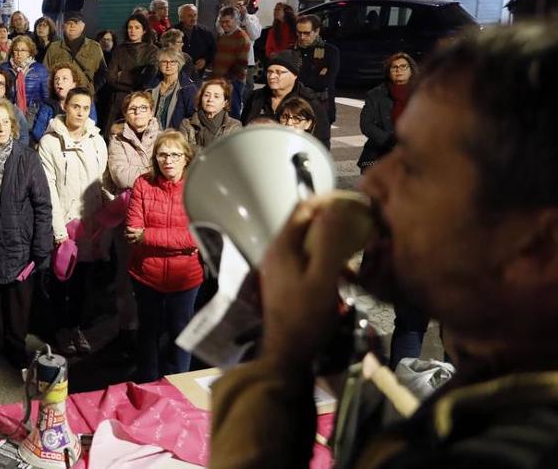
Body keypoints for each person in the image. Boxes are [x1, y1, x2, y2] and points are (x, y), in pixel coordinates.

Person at [211, 23, 558, 466]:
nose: (372, 184)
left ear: (536, 245)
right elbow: (404, 440)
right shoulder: (504, 385)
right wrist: (326, 335)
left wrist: (279, 360)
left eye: (416, 167)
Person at [0, 97, 53, 369]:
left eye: (6, 122)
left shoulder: (27, 158)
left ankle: (16, 346)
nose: (1, 128)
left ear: (13, 126)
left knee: (18, 301)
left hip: (20, 243)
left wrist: (41, 245)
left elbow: (42, 204)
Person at [124, 130, 201, 382]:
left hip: (185, 279)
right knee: (148, 334)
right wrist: (179, 242)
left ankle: (179, 385)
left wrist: (148, 237)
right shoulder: (143, 183)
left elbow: (196, 237)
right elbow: (133, 230)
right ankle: (148, 385)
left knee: (182, 335)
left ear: (186, 158)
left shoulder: (198, 188)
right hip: (147, 275)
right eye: (162, 154)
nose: (168, 160)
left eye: (175, 155)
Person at [38, 86, 108, 356]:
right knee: (60, 282)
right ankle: (60, 330)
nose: (80, 112)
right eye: (75, 106)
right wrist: (58, 230)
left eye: (85, 108)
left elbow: (101, 181)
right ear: (65, 106)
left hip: (89, 224)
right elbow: (50, 188)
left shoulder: (97, 140)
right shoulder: (50, 142)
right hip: (63, 224)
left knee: (82, 283)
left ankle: (75, 327)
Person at [241, 50, 331, 146]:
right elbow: (243, 129)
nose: (272, 76)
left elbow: (322, 142)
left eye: (279, 72)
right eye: (269, 71)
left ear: (295, 75)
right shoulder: (256, 98)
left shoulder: (310, 102)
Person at [106, 13, 158, 121]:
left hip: (143, 99)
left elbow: (147, 79)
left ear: (144, 30)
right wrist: (133, 78)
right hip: (120, 100)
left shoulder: (152, 51)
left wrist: (122, 75)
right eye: (130, 27)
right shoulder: (119, 50)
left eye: (137, 27)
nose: (132, 30)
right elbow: (110, 78)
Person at [107, 91, 161, 194]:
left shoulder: (163, 138)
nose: (137, 112)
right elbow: (121, 177)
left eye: (143, 108)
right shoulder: (117, 140)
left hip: (158, 199)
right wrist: (156, 173)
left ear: (151, 113)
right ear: (125, 114)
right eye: (132, 109)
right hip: (129, 200)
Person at [30, 63, 98, 142]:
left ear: (74, 83)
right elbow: (37, 134)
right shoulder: (47, 106)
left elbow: (91, 128)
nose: (59, 82)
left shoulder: (87, 103)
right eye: (56, 79)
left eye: (64, 78)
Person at [295, 13, 340, 124]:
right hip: (295, 108)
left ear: (317, 31)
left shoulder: (330, 52)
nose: (302, 37)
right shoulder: (291, 51)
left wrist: (298, 78)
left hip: (321, 108)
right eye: (299, 33)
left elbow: (325, 82)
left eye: (306, 33)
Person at [43, 12, 105, 88]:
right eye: (69, 23)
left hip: (85, 96)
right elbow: (45, 73)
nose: (72, 25)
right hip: (60, 96)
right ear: (63, 26)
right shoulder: (53, 47)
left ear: (83, 26)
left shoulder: (94, 47)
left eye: (76, 23)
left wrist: (92, 89)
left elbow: (102, 73)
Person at [179, 78, 242, 151]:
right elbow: (183, 150)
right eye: (206, 95)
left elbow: (232, 154)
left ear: (225, 103)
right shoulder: (187, 124)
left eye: (216, 96)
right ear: (200, 98)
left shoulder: (234, 126)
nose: (210, 99)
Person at [212, 6, 252, 116]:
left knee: (233, 112)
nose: (224, 24)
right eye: (222, 21)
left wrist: (226, 80)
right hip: (219, 80)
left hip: (233, 82)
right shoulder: (222, 36)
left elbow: (241, 64)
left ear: (236, 21)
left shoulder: (242, 38)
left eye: (227, 21)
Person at [2, 34, 48, 126]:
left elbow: (46, 98)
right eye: (16, 50)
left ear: (30, 52)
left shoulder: (40, 69)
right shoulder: (3, 68)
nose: (19, 53)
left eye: (23, 50)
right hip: (8, 114)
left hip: (33, 116)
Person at [149, 47, 198, 130]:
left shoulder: (188, 88)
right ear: (159, 64)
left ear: (179, 64)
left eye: (173, 62)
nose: (168, 65)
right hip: (151, 134)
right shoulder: (150, 87)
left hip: (174, 137)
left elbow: (192, 117)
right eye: (164, 62)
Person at [177, 4, 215, 76]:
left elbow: (213, 50)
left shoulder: (205, 32)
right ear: (181, 17)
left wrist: (205, 60)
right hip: (177, 74)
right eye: (190, 16)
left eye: (195, 15)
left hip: (198, 74)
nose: (193, 18)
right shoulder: (173, 32)